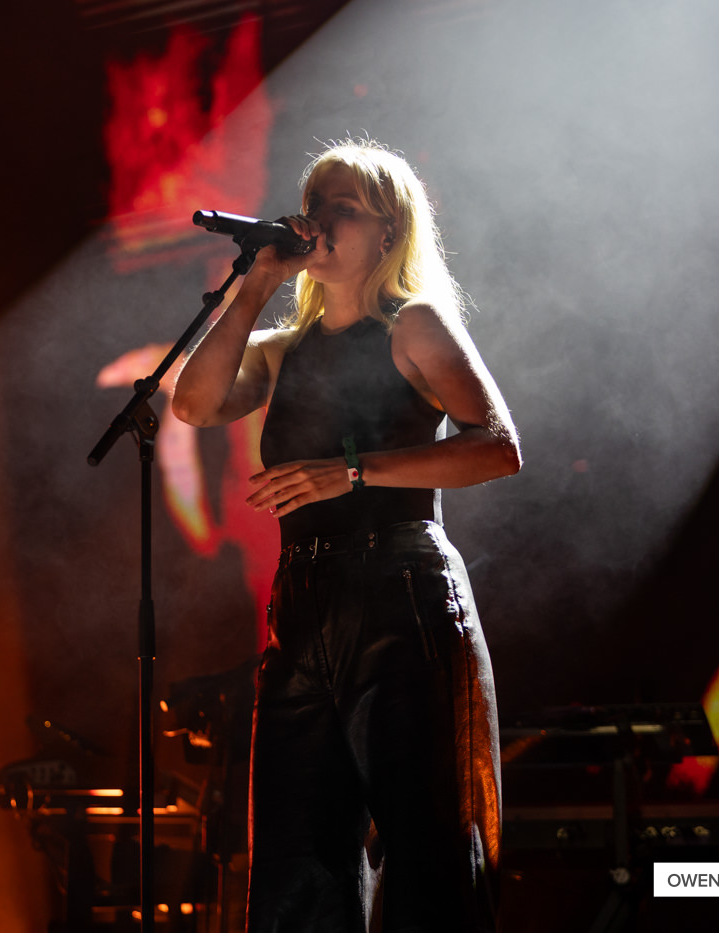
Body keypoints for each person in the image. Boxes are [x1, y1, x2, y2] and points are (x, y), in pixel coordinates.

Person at [172, 139, 520, 933]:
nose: (319, 220)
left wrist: (352, 472)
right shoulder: (283, 350)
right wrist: (259, 282)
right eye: (314, 202)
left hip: (401, 592)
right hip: (302, 605)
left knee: (430, 851)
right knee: (297, 863)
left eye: (343, 208)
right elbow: (191, 404)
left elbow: (498, 446)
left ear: (388, 230)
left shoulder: (415, 325)